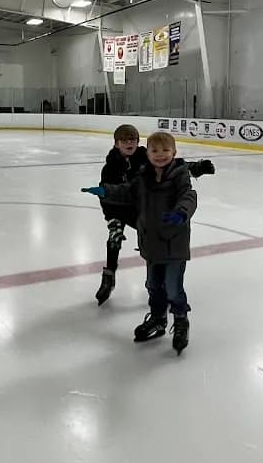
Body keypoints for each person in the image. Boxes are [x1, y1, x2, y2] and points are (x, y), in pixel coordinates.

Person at [83, 131, 196, 356]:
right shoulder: (143, 176)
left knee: (173, 289)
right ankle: (157, 319)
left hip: (174, 243)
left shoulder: (179, 175)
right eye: (154, 151)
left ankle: (181, 321)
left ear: (174, 152)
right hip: (152, 243)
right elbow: (127, 192)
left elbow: (189, 196)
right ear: (148, 154)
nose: (160, 155)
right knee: (153, 286)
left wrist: (181, 214)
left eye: (165, 151)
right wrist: (106, 190)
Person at [93, 124, 214, 305]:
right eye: (124, 140)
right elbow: (108, 196)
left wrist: (196, 167)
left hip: (143, 206)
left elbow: (169, 164)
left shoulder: (145, 156)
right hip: (121, 208)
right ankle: (109, 276)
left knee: (155, 237)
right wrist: (112, 221)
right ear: (116, 144)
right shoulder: (110, 167)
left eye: (132, 139)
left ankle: (160, 279)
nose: (129, 143)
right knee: (114, 239)